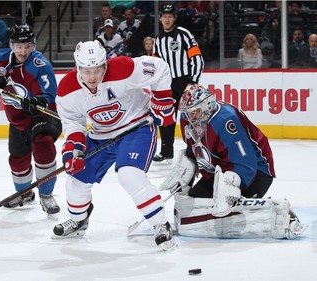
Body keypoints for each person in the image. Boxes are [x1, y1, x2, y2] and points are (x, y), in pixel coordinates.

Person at [53, 40, 176, 250]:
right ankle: (78, 220)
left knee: (129, 174)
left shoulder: (123, 67)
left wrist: (161, 100)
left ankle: (160, 224)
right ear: (78, 68)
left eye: (97, 70)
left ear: (105, 65)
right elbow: (73, 122)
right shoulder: (67, 89)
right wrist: (73, 151)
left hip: (136, 127)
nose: (92, 77)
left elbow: (160, 68)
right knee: (76, 178)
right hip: (101, 135)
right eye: (86, 71)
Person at [160, 84, 307, 239]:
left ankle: (280, 213)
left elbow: (246, 163)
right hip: (218, 171)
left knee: (229, 207)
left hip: (256, 171)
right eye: (188, 113)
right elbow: (194, 148)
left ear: (207, 106)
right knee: (195, 203)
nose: (191, 117)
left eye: (195, 112)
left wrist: (230, 186)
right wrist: (188, 168)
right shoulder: (186, 119)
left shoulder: (226, 120)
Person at [0, 24, 62, 216]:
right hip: (17, 120)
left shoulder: (40, 65)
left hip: (43, 117)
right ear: (11, 45)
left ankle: (46, 195)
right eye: (19, 46)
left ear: (33, 45)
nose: (23, 51)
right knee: (17, 160)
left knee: (43, 144)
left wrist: (39, 102)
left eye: (28, 46)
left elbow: (50, 97)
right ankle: (24, 193)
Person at [152, 4, 204, 164]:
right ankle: (167, 152)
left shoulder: (184, 34)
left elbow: (197, 59)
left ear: (174, 18)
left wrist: (192, 82)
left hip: (185, 81)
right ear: (160, 19)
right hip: (166, 83)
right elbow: (154, 64)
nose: (167, 19)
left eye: (170, 16)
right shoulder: (158, 40)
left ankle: (200, 150)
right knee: (166, 116)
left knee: (194, 118)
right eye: (164, 16)